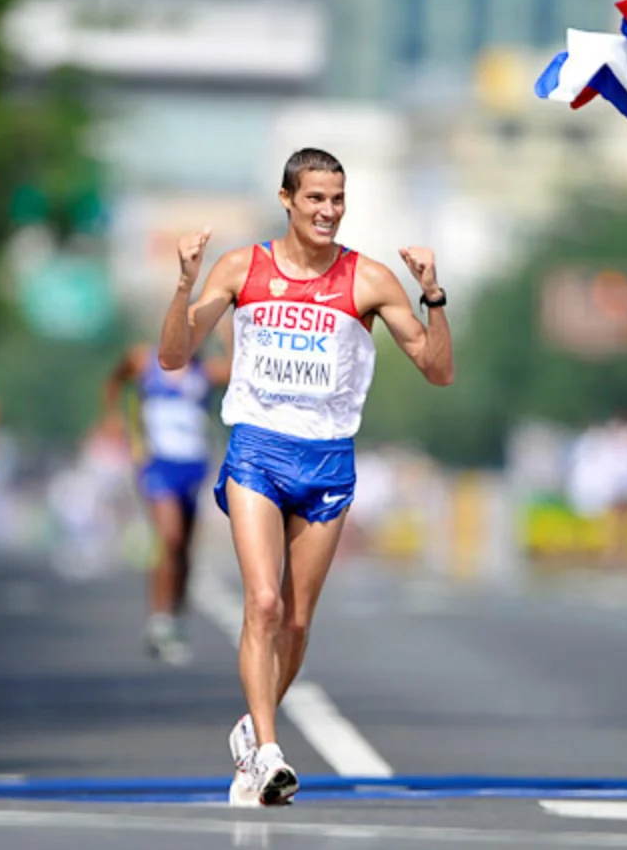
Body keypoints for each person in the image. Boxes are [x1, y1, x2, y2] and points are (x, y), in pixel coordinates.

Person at [157, 148, 454, 807]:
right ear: (287, 199)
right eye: (316, 198)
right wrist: (184, 285)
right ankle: (267, 753)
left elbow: (438, 371)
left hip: (328, 461)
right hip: (257, 452)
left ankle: (250, 733)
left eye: (337, 199)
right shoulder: (242, 268)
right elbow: (174, 355)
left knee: (294, 622)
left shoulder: (368, 279)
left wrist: (433, 294)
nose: (328, 211)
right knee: (263, 602)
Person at [103, 340, 230, 665]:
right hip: (157, 464)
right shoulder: (144, 361)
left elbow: (240, 371)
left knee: (184, 548)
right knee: (169, 538)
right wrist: (113, 417)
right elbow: (115, 379)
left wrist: (229, 331)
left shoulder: (206, 370)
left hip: (194, 466)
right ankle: (159, 619)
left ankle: (176, 614)